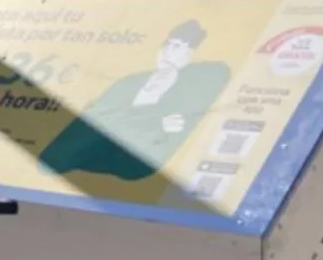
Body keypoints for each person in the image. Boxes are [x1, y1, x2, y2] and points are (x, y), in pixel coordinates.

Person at [38, 19, 231, 184]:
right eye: (167, 45)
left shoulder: (201, 79)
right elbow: (91, 124)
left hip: (131, 161)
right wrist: (153, 118)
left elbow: (138, 159)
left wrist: (168, 79)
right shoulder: (130, 82)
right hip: (100, 149)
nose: (167, 52)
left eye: (178, 47)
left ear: (191, 54)